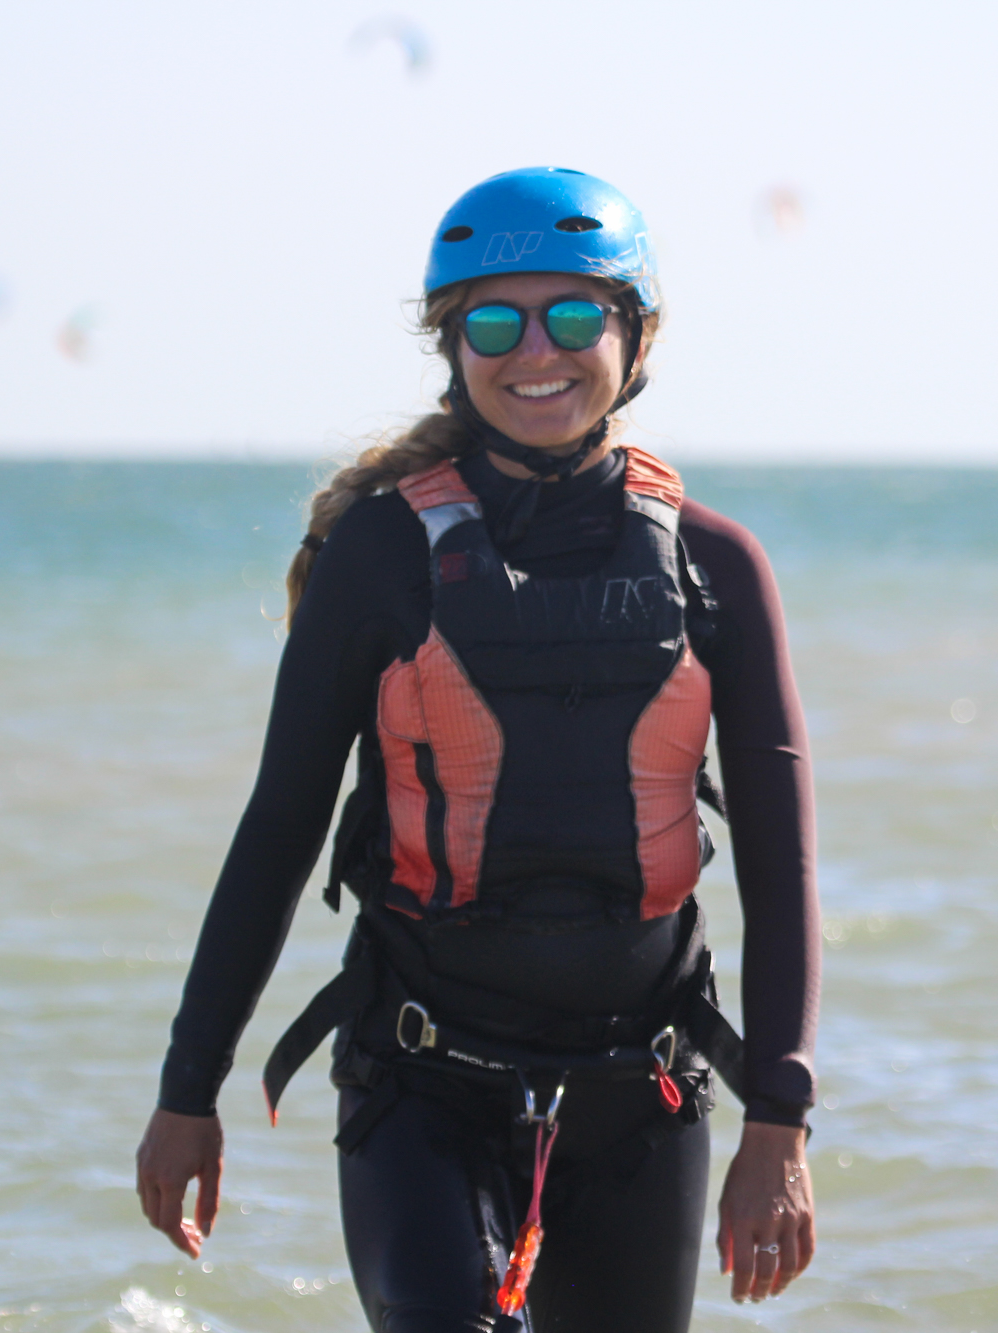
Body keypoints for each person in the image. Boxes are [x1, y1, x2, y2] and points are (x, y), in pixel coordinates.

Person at [133, 167, 821, 1333]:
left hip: (641, 1093)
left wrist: (779, 1121)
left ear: (635, 336)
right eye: (494, 323)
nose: (533, 352)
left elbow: (780, 864)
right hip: (420, 1084)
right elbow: (280, 827)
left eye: (573, 316)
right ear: (453, 348)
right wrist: (186, 1088)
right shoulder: (378, 555)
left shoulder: (715, 568)